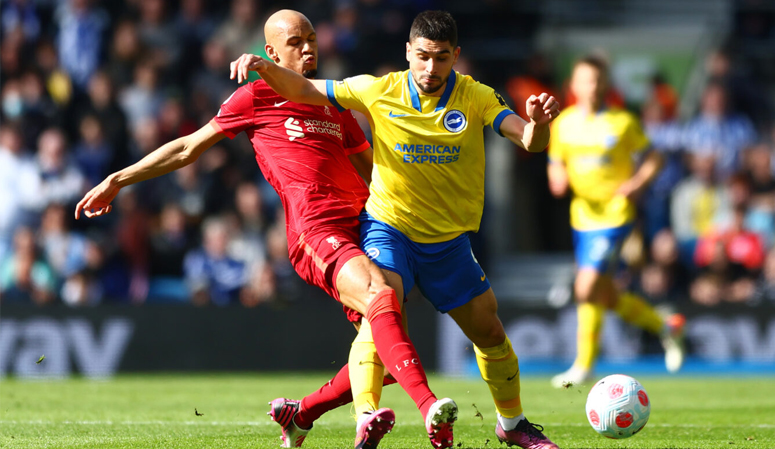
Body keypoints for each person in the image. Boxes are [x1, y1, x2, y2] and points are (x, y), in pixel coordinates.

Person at [76, 10, 454, 449]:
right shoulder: (255, 97)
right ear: (270, 53)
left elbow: (373, 170)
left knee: (385, 353)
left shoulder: (334, 102)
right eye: (296, 41)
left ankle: (301, 415)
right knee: (381, 299)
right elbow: (187, 148)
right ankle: (427, 409)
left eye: (312, 38)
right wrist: (116, 180)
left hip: (366, 228)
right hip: (316, 229)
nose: (309, 47)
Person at [230, 10, 561, 449]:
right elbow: (305, 88)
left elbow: (527, 139)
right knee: (377, 310)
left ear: (455, 57)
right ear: (408, 52)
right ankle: (366, 417)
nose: (430, 68)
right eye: (422, 56)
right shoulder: (377, 89)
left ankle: (513, 424)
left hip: (447, 242)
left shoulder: (477, 96)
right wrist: (264, 66)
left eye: (441, 58)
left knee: (489, 332)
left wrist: (538, 124)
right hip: (389, 229)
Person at [546, 56, 686, 388]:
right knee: (604, 295)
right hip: (582, 216)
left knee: (587, 285)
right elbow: (555, 160)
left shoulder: (622, 122)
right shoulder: (563, 124)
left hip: (615, 215)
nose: (592, 87)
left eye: (597, 81)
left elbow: (655, 157)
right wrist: (557, 177)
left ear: (606, 85)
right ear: (574, 86)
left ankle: (583, 365)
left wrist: (635, 185)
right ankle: (667, 327)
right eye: (585, 81)